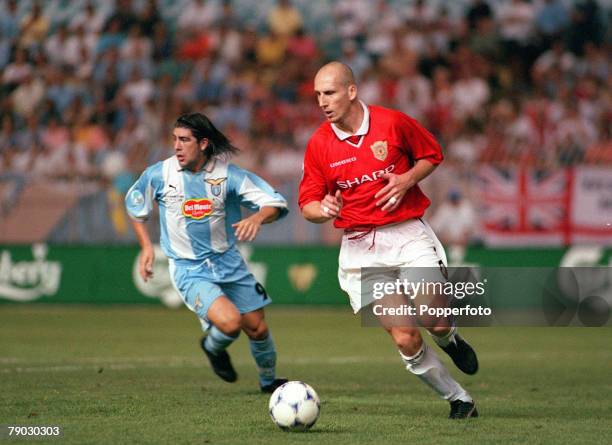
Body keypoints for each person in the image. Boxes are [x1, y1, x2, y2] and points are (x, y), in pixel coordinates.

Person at [299, 62, 479, 419]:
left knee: (435, 320)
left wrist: (407, 179)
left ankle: (451, 339)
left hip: (407, 234)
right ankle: (459, 399)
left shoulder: (392, 123)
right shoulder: (319, 143)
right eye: (318, 94)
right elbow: (307, 204)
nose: (322, 101)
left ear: (351, 91)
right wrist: (325, 209)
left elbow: (432, 154)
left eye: (330, 92)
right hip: (361, 249)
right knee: (405, 338)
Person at [125, 112, 288, 393]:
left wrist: (256, 218)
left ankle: (268, 383)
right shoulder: (160, 174)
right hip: (189, 269)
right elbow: (136, 206)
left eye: (184, 140)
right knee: (230, 323)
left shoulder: (228, 175)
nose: (176, 146)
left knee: (258, 329)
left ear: (202, 143)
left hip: (229, 263)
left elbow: (275, 203)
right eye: (174, 139)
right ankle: (212, 347)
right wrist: (145, 247)